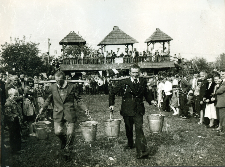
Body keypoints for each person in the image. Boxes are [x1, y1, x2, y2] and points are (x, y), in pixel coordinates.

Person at [39, 71, 89, 160]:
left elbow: (79, 100)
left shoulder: (72, 87)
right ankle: (64, 141)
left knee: (70, 133)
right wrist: (43, 108)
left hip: (70, 113)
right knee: (57, 132)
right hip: (58, 113)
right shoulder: (52, 87)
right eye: (56, 80)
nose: (58, 82)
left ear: (64, 79)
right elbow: (48, 100)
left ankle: (68, 152)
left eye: (60, 80)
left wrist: (85, 109)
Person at [109, 64, 154, 159]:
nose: (135, 74)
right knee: (129, 128)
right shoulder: (124, 82)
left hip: (138, 110)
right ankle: (130, 143)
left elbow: (146, 93)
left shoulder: (143, 81)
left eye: (137, 72)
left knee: (139, 129)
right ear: (130, 73)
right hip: (127, 109)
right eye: (133, 72)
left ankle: (142, 151)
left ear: (139, 72)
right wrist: (111, 104)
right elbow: (112, 92)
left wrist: (151, 100)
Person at [4, 88, 23, 154]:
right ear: (10, 96)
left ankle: (18, 149)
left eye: (16, 95)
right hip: (12, 121)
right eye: (14, 95)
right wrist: (14, 117)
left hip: (16, 120)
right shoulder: (8, 103)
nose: (16, 97)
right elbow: (8, 114)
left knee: (17, 134)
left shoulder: (14, 101)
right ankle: (14, 150)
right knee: (13, 135)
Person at [215, 70, 225, 136]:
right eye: (221, 74)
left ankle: (223, 131)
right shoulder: (222, 82)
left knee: (223, 117)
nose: (222, 76)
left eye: (223, 74)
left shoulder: (224, 83)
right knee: (222, 117)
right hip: (222, 102)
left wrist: (217, 89)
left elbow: (220, 91)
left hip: (223, 102)